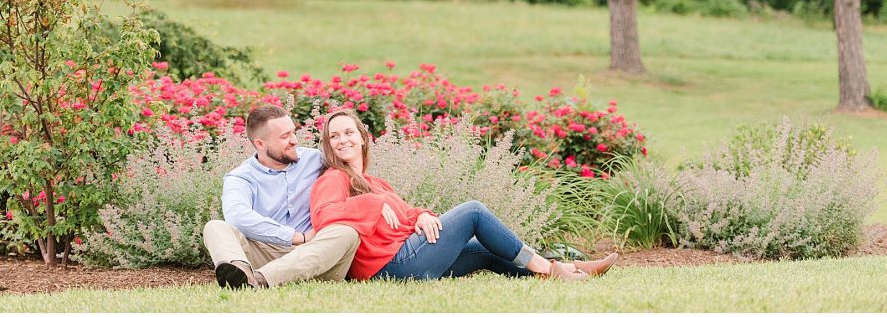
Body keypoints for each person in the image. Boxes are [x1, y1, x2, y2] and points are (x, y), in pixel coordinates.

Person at [310, 108, 618, 282]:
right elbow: (324, 216)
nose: (342, 140)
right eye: (334, 136)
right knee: (473, 212)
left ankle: (560, 268)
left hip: (408, 257)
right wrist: (372, 204)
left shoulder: (375, 181)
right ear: (329, 145)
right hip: (393, 266)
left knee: (483, 249)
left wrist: (424, 215)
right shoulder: (334, 178)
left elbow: (406, 215)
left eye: (348, 132)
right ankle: (556, 270)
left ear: (363, 138)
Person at [203, 105, 359, 289]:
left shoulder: (316, 159)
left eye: (293, 132)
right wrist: (297, 237)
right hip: (266, 253)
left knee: (347, 232)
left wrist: (381, 199)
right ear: (260, 144)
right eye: (285, 136)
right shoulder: (241, 177)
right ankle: (241, 273)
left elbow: (353, 169)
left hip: (315, 257)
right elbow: (237, 215)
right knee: (215, 227)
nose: (294, 141)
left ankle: (258, 281)